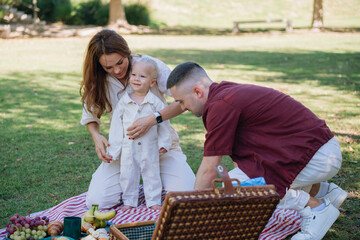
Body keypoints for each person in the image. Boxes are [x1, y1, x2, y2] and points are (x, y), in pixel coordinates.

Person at [166, 62, 348, 240]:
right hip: (319, 148)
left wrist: (190, 212)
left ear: (197, 91)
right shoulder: (224, 94)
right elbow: (243, 157)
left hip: (316, 156)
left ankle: (317, 208)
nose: (182, 108)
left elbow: (209, 168)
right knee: (241, 180)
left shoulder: (221, 105)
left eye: (181, 101)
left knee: (235, 189)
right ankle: (325, 191)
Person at [79, 30, 195, 210]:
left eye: (120, 62)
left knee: (187, 198)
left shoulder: (150, 65)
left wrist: (153, 119)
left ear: (126, 52)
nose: (117, 70)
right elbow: (90, 116)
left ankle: (154, 185)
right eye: (109, 67)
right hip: (123, 151)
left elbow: (185, 98)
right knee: (96, 202)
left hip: (160, 147)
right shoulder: (98, 78)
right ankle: (133, 187)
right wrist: (96, 137)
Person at [107, 56, 171, 211]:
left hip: (150, 147)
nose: (136, 79)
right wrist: (114, 149)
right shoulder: (124, 101)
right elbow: (116, 126)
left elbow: (164, 124)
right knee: (128, 173)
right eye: (134, 75)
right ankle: (129, 200)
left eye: (142, 76)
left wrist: (164, 143)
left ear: (152, 82)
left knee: (152, 173)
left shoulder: (155, 102)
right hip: (129, 147)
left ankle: (153, 200)